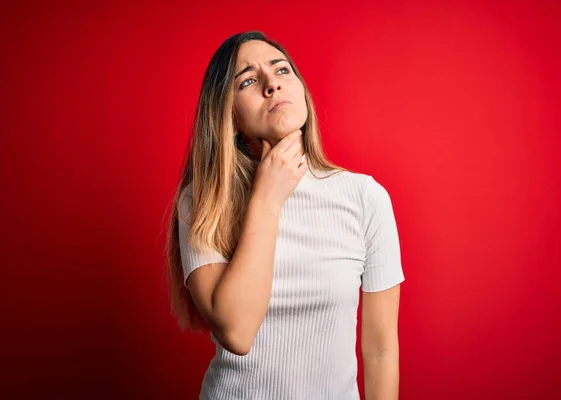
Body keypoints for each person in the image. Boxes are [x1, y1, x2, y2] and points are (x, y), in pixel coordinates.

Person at [164, 30, 405, 400]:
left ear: (301, 89)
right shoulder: (202, 201)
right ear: (227, 114)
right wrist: (267, 199)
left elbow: (381, 348)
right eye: (248, 80)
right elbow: (237, 332)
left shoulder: (365, 197)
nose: (271, 84)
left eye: (282, 70)